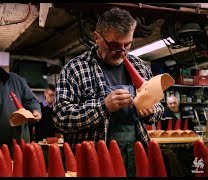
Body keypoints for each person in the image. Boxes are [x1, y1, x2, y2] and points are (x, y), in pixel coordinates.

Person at [52, 7, 164, 177]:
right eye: (114, 45)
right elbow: (61, 118)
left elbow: (159, 108)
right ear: (97, 37)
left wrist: (150, 111)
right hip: (93, 160)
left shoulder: (140, 67)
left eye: (127, 44)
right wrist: (102, 107)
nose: (121, 52)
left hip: (134, 156)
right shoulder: (75, 69)